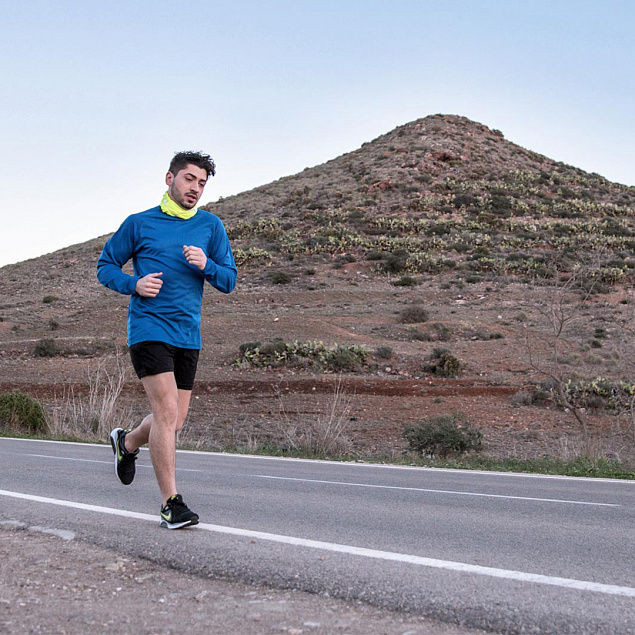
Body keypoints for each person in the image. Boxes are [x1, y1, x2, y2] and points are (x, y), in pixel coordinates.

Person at [97, 151, 237, 529]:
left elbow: (229, 280)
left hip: (188, 335)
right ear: (169, 178)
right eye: (190, 179)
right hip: (149, 329)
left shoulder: (210, 227)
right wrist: (133, 284)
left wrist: (206, 265)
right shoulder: (140, 224)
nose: (196, 188)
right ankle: (170, 505)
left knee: (173, 423)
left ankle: (126, 443)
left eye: (202, 183)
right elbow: (105, 265)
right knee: (165, 411)